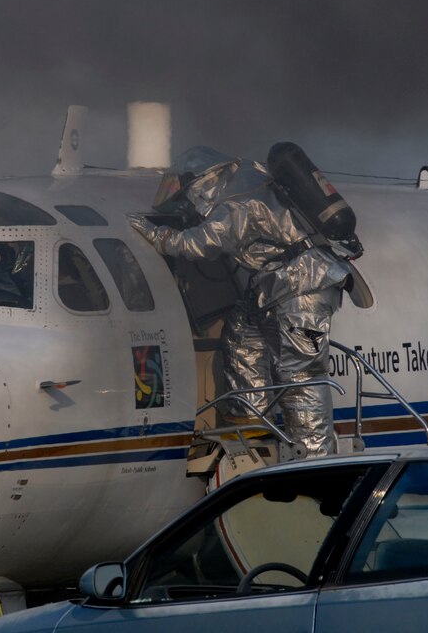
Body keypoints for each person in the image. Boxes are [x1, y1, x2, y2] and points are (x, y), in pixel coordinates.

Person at [129, 146, 353, 457]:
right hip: (282, 283)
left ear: (201, 182)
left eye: (187, 193)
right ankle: (250, 418)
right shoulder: (251, 177)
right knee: (242, 330)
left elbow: (199, 244)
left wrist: (156, 235)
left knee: (301, 374)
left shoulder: (235, 205)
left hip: (305, 285)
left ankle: (315, 457)